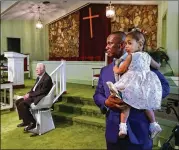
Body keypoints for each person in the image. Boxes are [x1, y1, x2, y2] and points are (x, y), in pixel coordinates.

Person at [93, 31, 170, 150]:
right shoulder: (105, 70)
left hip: (140, 130)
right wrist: (106, 102)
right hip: (114, 132)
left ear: (121, 45)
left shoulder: (142, 63)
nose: (106, 46)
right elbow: (98, 94)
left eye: (109, 43)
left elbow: (165, 86)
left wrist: (146, 97)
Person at [106, 30, 162, 139]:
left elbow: (122, 69)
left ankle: (123, 126)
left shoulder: (131, 56)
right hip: (146, 82)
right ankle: (154, 123)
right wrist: (159, 62)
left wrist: (116, 69)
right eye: (126, 43)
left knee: (125, 101)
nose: (126, 46)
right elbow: (157, 66)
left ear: (140, 44)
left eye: (129, 43)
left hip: (133, 82)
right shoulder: (147, 56)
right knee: (147, 105)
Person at [15, 63, 53, 131]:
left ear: (42, 69)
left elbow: (42, 92)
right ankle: (25, 121)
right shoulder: (39, 77)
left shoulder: (47, 79)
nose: (36, 70)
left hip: (39, 97)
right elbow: (34, 89)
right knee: (18, 102)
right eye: (36, 69)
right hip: (33, 95)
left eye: (37, 69)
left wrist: (30, 95)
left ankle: (33, 122)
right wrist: (28, 93)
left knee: (22, 104)